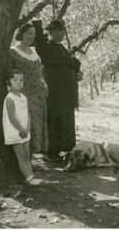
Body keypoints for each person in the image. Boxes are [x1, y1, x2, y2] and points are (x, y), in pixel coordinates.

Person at [32, 13, 82, 162]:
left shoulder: (62, 48)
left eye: (63, 30)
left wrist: (76, 73)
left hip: (66, 94)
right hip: (54, 92)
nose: (62, 33)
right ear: (50, 32)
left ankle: (61, 149)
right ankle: (49, 151)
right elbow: (39, 39)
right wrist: (37, 21)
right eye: (59, 30)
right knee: (53, 120)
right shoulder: (45, 47)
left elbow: (72, 63)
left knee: (64, 121)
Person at [9, 23, 49, 161]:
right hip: (24, 94)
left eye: (33, 34)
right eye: (29, 33)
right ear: (21, 34)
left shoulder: (34, 52)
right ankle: (24, 162)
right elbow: (10, 75)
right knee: (26, 126)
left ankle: (30, 160)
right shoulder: (13, 52)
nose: (32, 37)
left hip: (38, 95)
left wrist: (45, 84)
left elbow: (39, 72)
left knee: (36, 126)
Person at [3, 69, 42, 185]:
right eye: (15, 80)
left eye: (21, 80)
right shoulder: (9, 98)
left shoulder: (24, 97)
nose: (19, 82)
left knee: (27, 155)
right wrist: (21, 130)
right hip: (15, 131)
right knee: (21, 156)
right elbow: (11, 117)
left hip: (25, 130)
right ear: (9, 82)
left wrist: (28, 128)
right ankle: (29, 178)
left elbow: (27, 115)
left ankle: (31, 176)